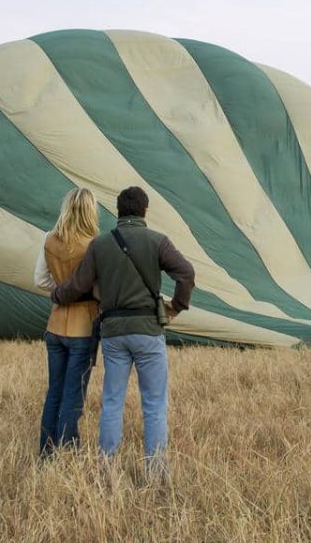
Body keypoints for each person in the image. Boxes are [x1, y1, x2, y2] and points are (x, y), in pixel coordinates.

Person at [52, 186, 195, 475]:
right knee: (154, 404)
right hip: (148, 330)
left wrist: (57, 295)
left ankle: (106, 468)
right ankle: (155, 471)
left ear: (117, 211)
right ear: (145, 211)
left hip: (114, 333)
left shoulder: (100, 244)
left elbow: (78, 285)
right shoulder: (158, 241)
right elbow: (186, 273)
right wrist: (177, 306)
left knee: (112, 402)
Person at [33, 187, 100, 456]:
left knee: (55, 392)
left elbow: (39, 279)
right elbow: (98, 288)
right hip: (83, 327)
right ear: (89, 211)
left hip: (55, 325)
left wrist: (61, 287)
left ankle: (46, 453)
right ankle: (67, 454)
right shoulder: (94, 245)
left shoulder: (50, 239)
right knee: (73, 396)